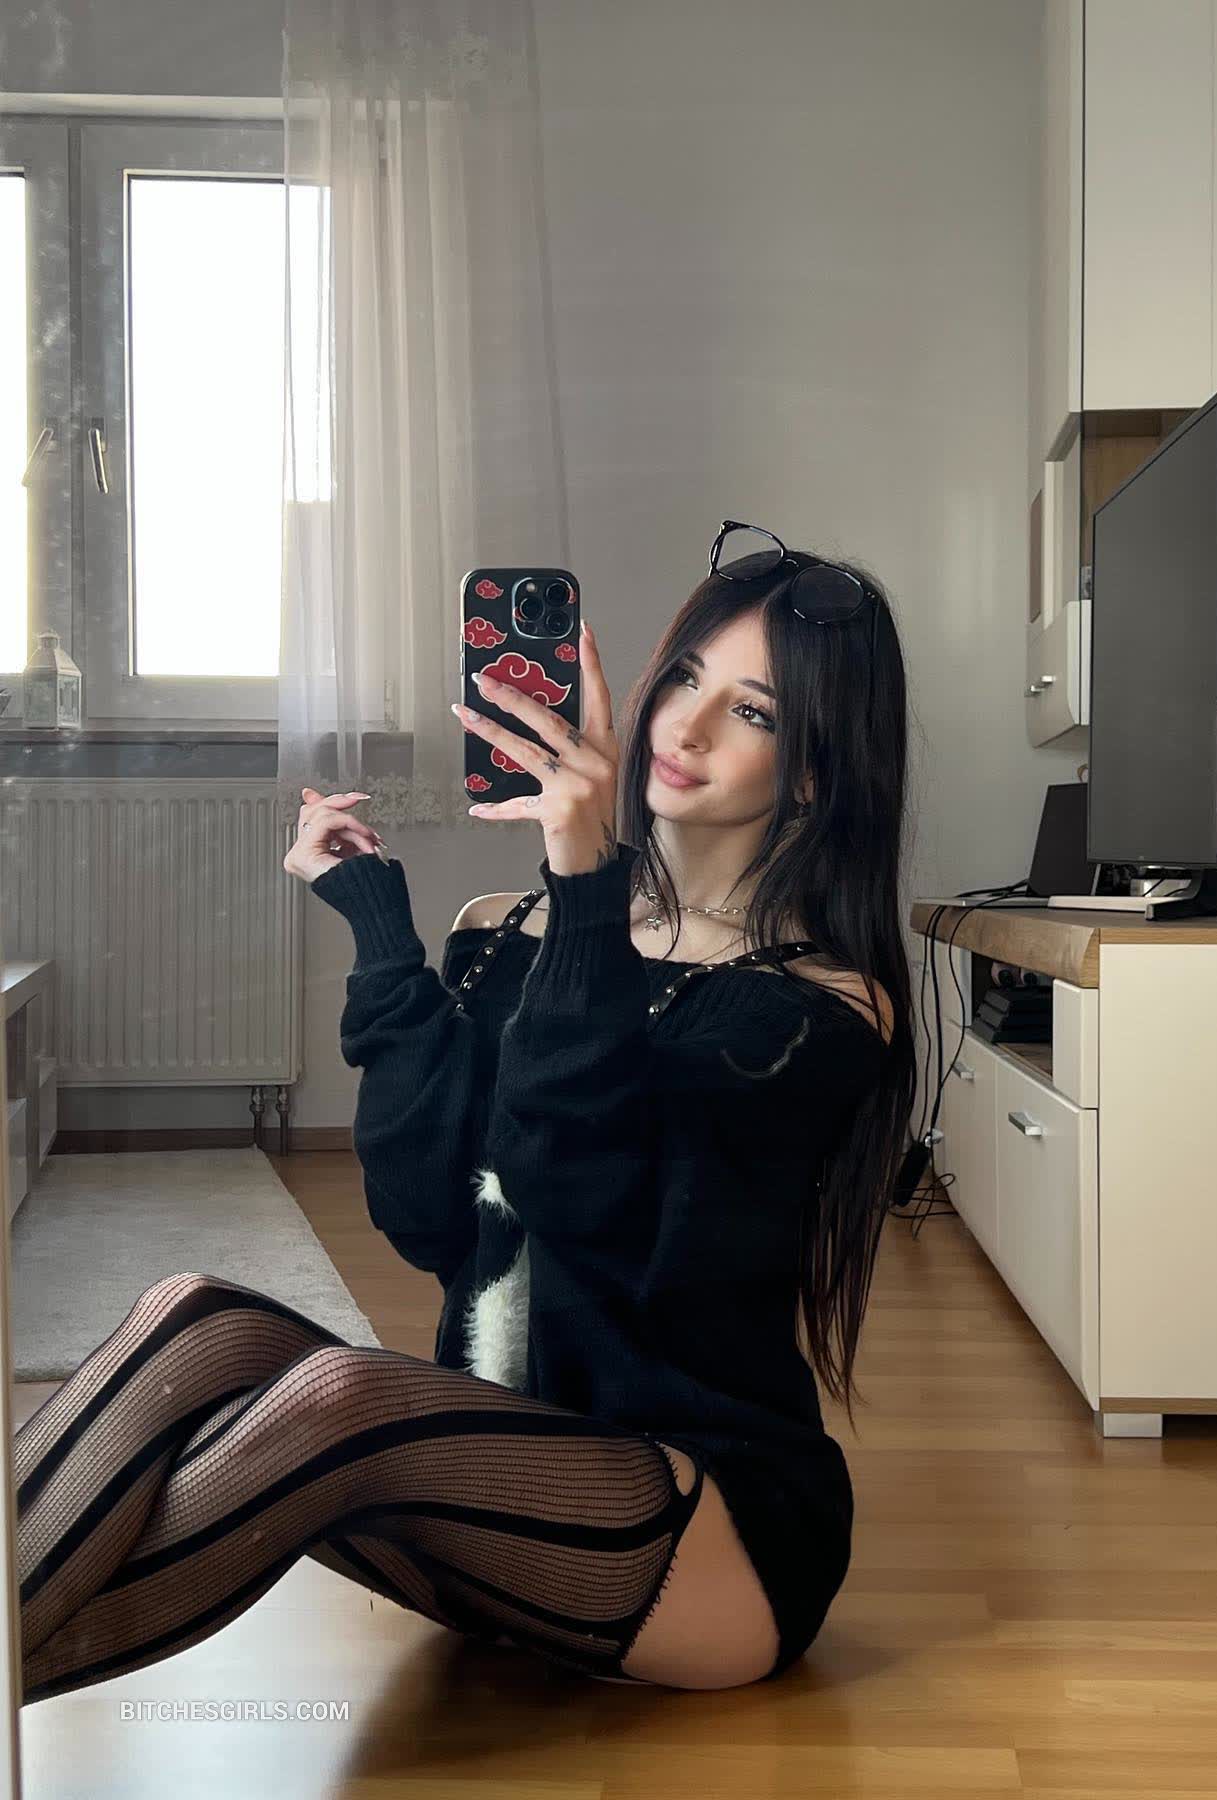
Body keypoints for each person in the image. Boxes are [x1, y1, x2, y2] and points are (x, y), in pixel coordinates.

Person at [12, 528, 915, 1703]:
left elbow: (574, 1197)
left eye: (753, 712)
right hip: (475, 1474)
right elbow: (432, 1215)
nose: (685, 727)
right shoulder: (507, 929)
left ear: (810, 775)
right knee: (197, 1319)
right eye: (684, 679)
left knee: (340, 1397)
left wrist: (585, 885)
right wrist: (379, 923)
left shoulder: (819, 1007)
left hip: (698, 1531)